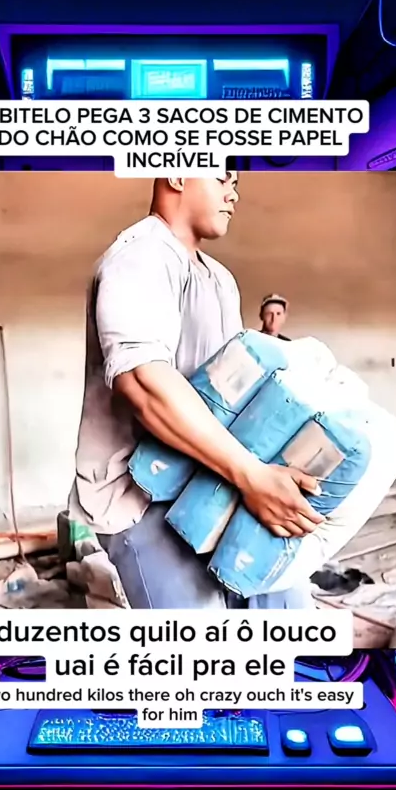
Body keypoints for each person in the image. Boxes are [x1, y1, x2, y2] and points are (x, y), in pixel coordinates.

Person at [68, 175, 323, 610]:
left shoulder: (220, 280)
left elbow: (236, 388)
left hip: (216, 478)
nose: (233, 193)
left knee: (288, 613)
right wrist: (252, 475)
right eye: (223, 177)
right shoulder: (141, 256)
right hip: (141, 497)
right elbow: (144, 385)